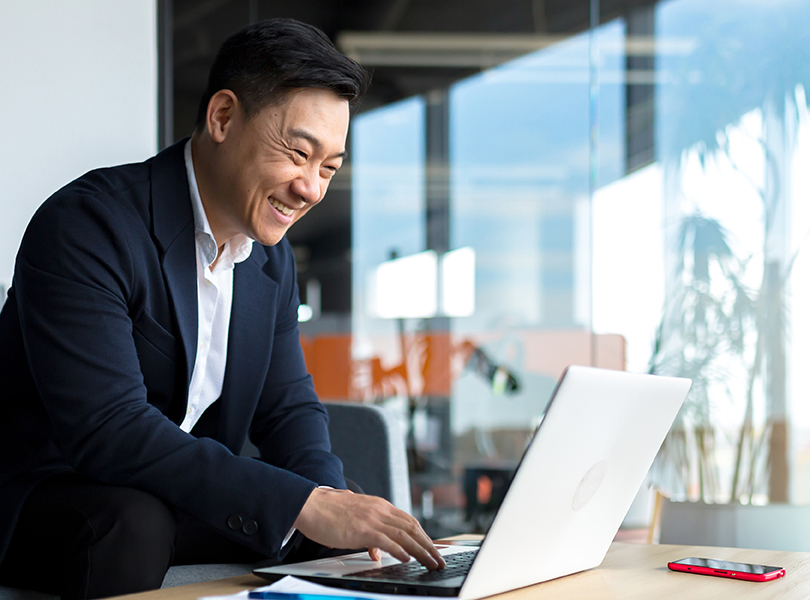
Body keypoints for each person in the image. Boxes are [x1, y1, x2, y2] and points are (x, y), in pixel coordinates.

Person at [0, 18, 444, 600]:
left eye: (328, 168)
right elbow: (109, 431)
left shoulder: (270, 260)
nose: (311, 187)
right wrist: (303, 504)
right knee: (135, 525)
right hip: (59, 492)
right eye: (298, 153)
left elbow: (287, 410)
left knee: (342, 518)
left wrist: (330, 501)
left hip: (174, 495)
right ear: (223, 118)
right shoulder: (88, 225)